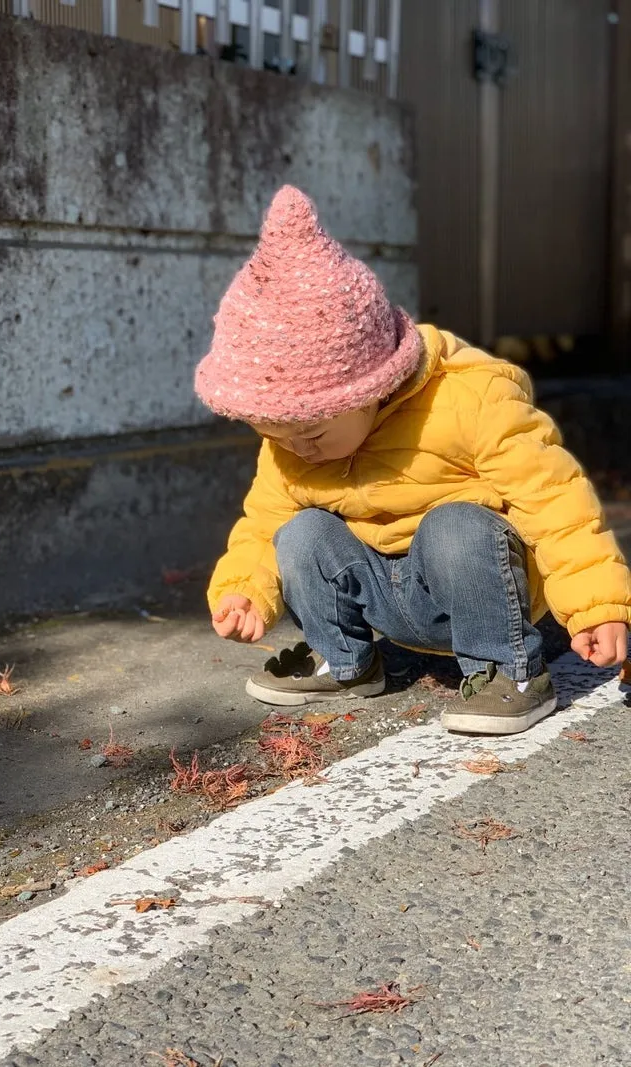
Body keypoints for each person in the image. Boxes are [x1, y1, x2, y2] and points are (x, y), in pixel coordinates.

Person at [193, 186, 631, 735]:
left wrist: (595, 605)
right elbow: (263, 523)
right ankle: (348, 660)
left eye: (313, 432)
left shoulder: (468, 401)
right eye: (272, 434)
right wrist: (243, 589)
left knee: (456, 524)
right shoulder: (290, 442)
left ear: (372, 388)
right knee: (300, 532)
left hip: (473, 588)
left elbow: (553, 497)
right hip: (383, 595)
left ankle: (507, 671)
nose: (297, 448)